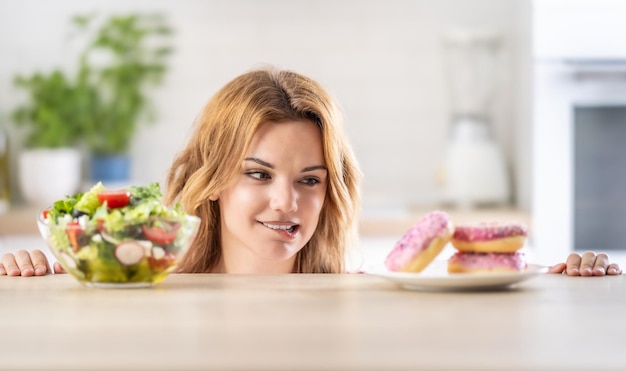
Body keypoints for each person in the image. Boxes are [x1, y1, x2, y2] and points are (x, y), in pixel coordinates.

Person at [0, 67, 622, 276]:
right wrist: (29, 271)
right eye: (258, 173)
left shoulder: (356, 291)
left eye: (309, 179)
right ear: (214, 180)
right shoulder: (146, 290)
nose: (287, 204)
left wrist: (558, 273)